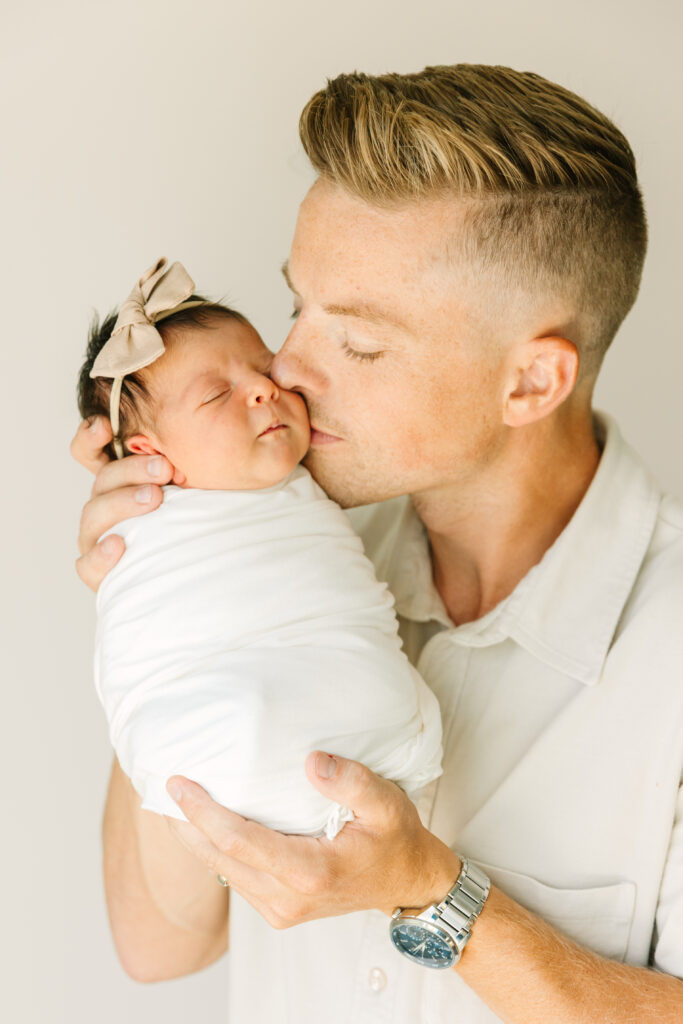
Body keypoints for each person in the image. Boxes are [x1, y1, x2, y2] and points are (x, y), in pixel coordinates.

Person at [70, 64, 683, 1022]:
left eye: (356, 343)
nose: (286, 368)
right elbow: (158, 944)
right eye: (295, 306)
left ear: (530, 382)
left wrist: (438, 896)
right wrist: (166, 590)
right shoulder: (290, 551)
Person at [78, 256, 442, 840]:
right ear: (152, 454)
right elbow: (150, 666)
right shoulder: (146, 527)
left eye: (264, 370)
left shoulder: (325, 492)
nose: (266, 391)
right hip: (215, 745)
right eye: (217, 394)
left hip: (343, 713)